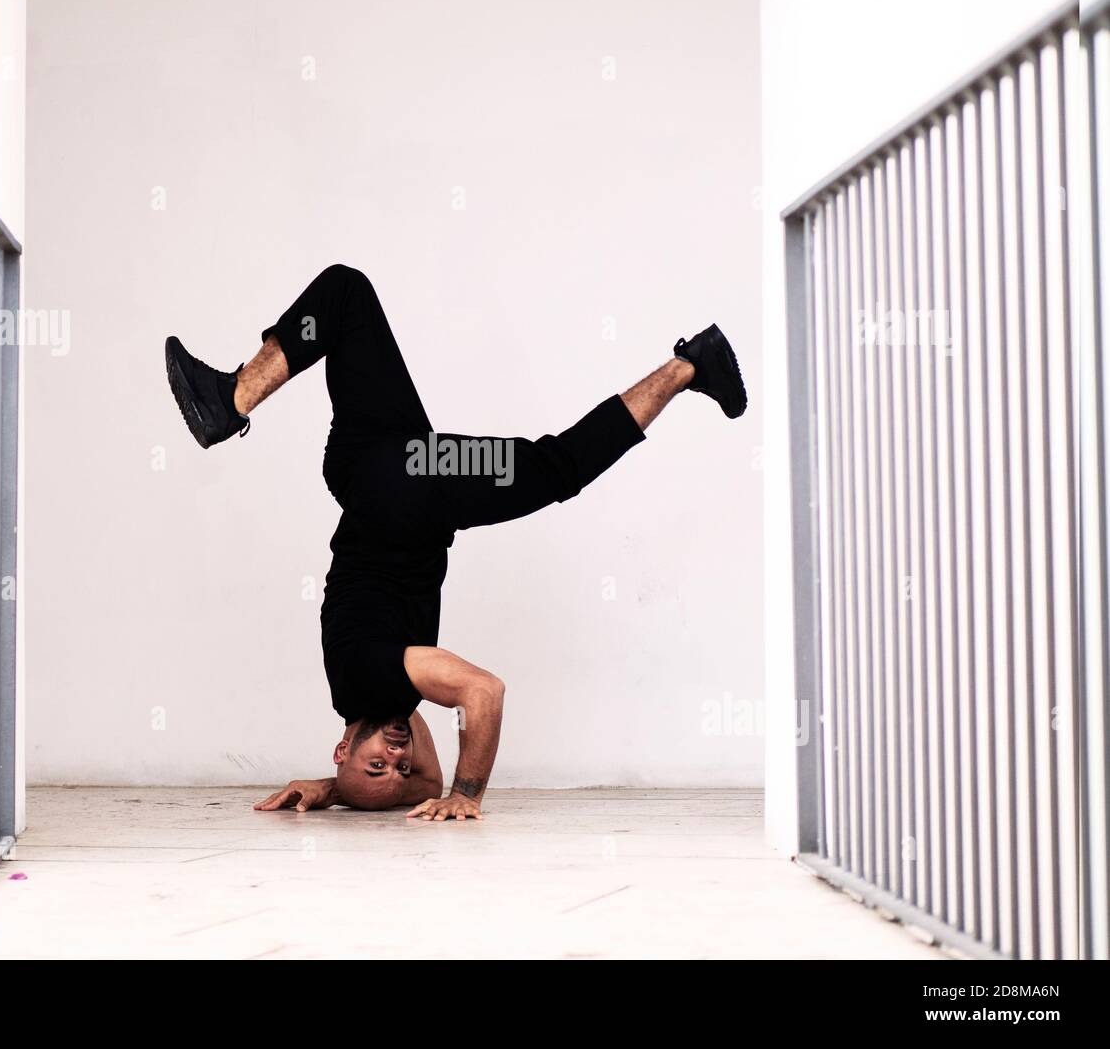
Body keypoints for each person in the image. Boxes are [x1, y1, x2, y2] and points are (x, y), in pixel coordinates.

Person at [165, 264, 746, 820]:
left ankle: (689, 368)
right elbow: (423, 785)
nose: (398, 757)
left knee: (558, 467)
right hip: (371, 464)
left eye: (377, 765)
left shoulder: (372, 676)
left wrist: (468, 795)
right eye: (397, 767)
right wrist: (334, 790)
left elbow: (483, 692)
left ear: (342, 749)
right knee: (345, 294)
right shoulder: (374, 699)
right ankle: (229, 397)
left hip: (415, 480)